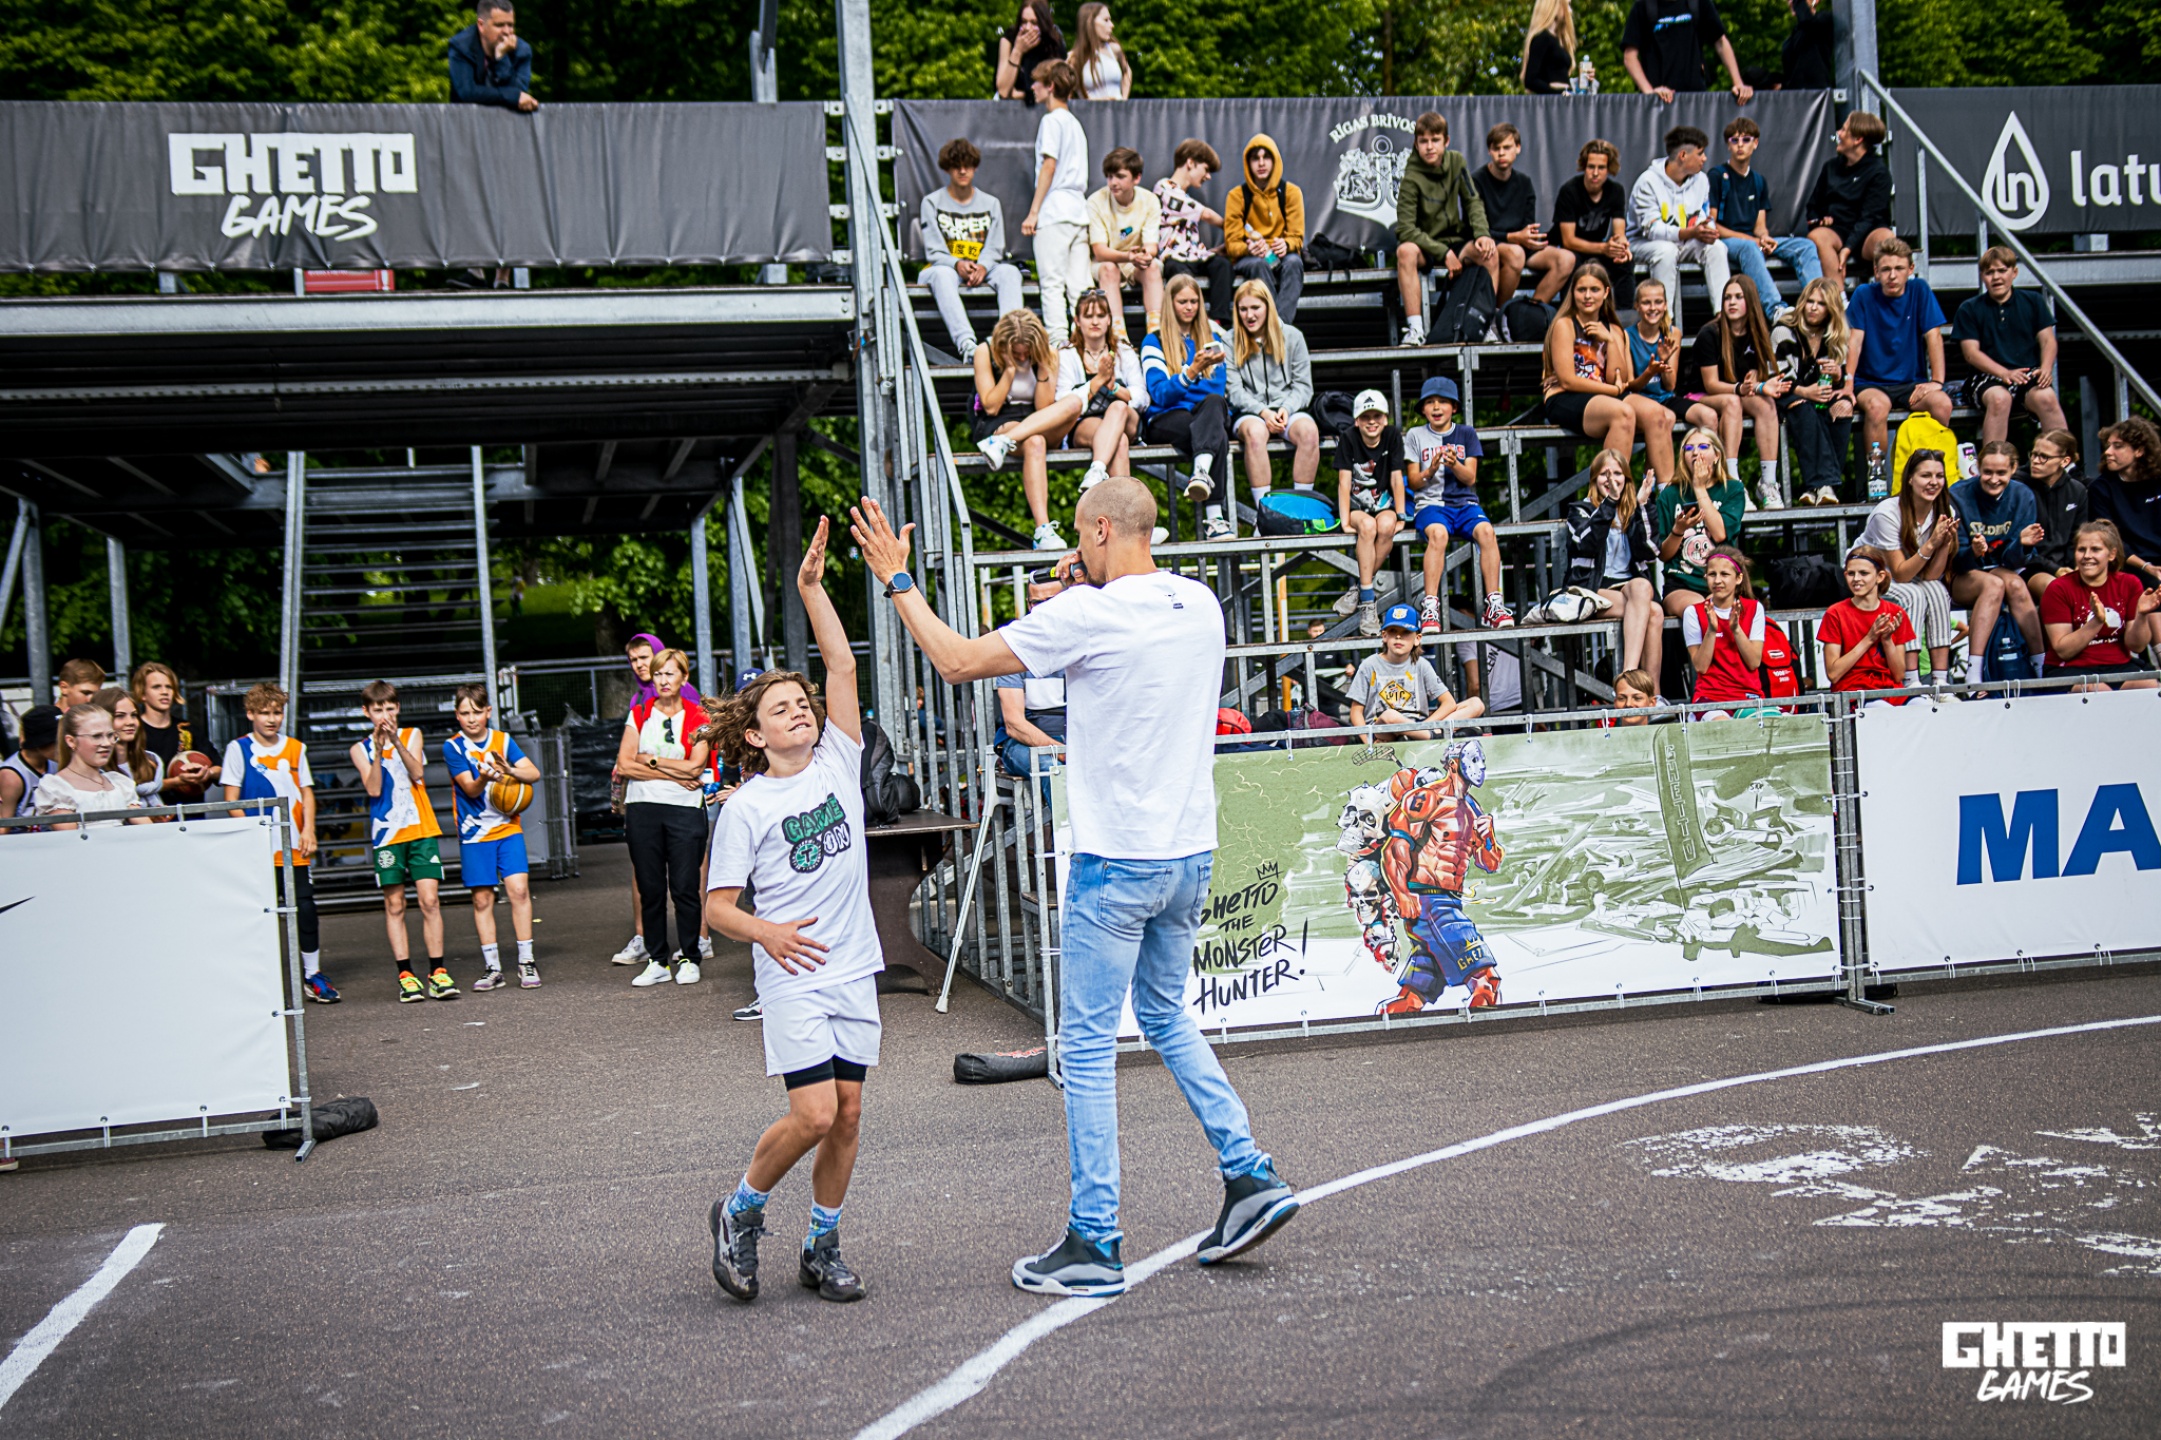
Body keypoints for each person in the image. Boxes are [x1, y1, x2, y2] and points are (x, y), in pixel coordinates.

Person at [847, 479, 1299, 1300]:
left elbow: (955, 660)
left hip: (1117, 860)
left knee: (1086, 1049)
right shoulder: (1198, 604)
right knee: (1163, 1015)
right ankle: (1248, 1172)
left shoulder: (1086, 615)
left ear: (1095, 529)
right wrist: (1085, 579)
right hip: (1187, 853)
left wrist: (897, 578)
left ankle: (1095, 1238)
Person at [703, 519, 883, 1306]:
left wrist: (812, 589)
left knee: (847, 1115)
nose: (800, 712)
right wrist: (767, 932)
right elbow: (716, 909)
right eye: (781, 710)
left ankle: (821, 1244)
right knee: (812, 1114)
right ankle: (740, 1211)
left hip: (853, 966)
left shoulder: (839, 758)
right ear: (755, 734)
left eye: (802, 704)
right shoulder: (746, 807)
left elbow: (841, 662)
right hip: (793, 974)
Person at [221, 683, 335, 1003]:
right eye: (264, 712)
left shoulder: (295, 748)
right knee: (259, 915)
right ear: (250, 714)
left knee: (306, 909)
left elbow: (306, 792)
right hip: (258, 849)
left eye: (277, 712)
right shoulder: (238, 749)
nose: (271, 719)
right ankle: (257, 982)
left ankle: (312, 975)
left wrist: (309, 829)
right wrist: (252, 833)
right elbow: (231, 800)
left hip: (293, 845)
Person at [617, 650, 712, 988]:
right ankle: (657, 960)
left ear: (684, 678)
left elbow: (696, 766)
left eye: (670, 674)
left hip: (685, 809)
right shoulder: (640, 713)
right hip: (643, 808)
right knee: (650, 886)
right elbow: (625, 763)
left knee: (685, 886)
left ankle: (689, 957)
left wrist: (651, 760)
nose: (663, 680)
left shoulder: (699, 716)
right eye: (658, 674)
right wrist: (673, 773)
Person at [351, 682, 452, 999]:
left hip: (421, 829)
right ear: (367, 712)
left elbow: (417, 772)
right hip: (387, 835)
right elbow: (373, 789)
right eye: (378, 710)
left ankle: (438, 971)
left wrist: (395, 740)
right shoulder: (360, 749)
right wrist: (379, 749)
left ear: (398, 708)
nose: (385, 715)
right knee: (394, 904)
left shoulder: (412, 735)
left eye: (390, 708)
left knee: (430, 900)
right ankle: (406, 974)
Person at [1406, 376, 1512, 632]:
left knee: (1487, 532)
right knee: (1439, 534)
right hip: (1431, 504)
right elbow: (1414, 481)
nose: (1436, 407)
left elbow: (1471, 478)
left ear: (1454, 407)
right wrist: (1430, 469)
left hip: (1465, 504)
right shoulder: (1415, 435)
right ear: (1423, 409)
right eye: (1430, 402)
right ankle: (1431, 607)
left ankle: (1494, 603)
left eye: (1443, 401)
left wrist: (1454, 464)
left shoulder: (1466, 433)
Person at [973, 308, 1084, 550]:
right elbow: (991, 406)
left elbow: (1043, 407)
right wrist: (1009, 370)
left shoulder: (1048, 353)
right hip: (1001, 418)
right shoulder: (985, 351)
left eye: (1027, 353)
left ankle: (1003, 442)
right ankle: (1043, 530)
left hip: (1038, 418)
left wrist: (1042, 364)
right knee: (1035, 442)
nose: (1023, 357)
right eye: (1017, 353)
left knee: (1075, 403)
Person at [1141, 273, 1234, 536]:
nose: (1189, 307)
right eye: (1183, 301)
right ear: (1170, 303)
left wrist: (1182, 383)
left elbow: (1215, 390)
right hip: (1167, 418)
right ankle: (1215, 519)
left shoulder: (1212, 339)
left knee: (1214, 408)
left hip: (1205, 413)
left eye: (1194, 301)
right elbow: (1160, 394)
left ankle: (1200, 473)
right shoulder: (1154, 341)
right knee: (1216, 433)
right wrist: (1192, 372)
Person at [1394, 113, 1496, 347]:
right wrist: (1444, 253)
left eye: (1435, 140)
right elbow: (1406, 229)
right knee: (1405, 251)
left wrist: (1482, 234)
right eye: (1423, 141)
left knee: (1489, 252)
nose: (1429, 147)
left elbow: (1472, 201)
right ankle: (1415, 330)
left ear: (1446, 141)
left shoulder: (1457, 161)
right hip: (1426, 246)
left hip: (1456, 240)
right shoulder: (1411, 177)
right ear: (1416, 144)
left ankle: (1485, 324)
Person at [1949, 441, 2048, 682]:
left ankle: (2041, 666)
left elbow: (2014, 561)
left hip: (2005, 568)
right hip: (1963, 573)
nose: (1994, 479)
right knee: (1994, 585)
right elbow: (1955, 560)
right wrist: (1972, 552)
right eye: (1988, 472)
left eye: (2001, 473)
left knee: (2015, 584)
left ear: (2013, 469)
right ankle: (1974, 672)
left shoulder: (2023, 495)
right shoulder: (1958, 494)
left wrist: (2022, 544)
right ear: (1977, 467)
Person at [1856, 449, 1960, 677]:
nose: (1934, 482)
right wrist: (1932, 544)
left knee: (1938, 591)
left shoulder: (1945, 511)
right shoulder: (1887, 513)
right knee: (1913, 595)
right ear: (1910, 479)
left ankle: (1940, 680)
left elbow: (1930, 576)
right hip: (1869, 576)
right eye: (1926, 476)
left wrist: (1945, 544)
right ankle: (1911, 678)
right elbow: (1900, 574)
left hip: (1908, 576)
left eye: (1939, 476)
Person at [1564, 449, 1664, 685]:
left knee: (1645, 592)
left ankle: (1647, 691)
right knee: (1653, 611)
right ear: (1594, 479)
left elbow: (1651, 550)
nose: (1611, 479)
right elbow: (1586, 544)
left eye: (1617, 473)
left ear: (1626, 478)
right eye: (1604, 474)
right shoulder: (1580, 510)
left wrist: (1642, 505)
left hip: (1631, 589)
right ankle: (1634, 680)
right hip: (1592, 588)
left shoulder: (1634, 510)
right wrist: (1609, 503)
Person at [1848, 240, 1953, 461]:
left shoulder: (1919, 289)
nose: (1892, 276)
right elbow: (1854, 342)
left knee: (1942, 403)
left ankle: (1932, 470)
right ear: (1876, 271)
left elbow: (1934, 336)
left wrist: (1937, 381)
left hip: (1911, 383)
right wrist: (1848, 383)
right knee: (1877, 407)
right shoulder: (1863, 294)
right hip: (1871, 382)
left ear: (1910, 269)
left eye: (1899, 268)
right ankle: (1877, 476)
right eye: (1886, 269)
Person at [921, 138, 1026, 359]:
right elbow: (934, 251)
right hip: (945, 268)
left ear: (975, 167)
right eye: (956, 166)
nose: (962, 171)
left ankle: (1006, 341)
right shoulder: (931, 202)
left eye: (967, 165)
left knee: (1010, 272)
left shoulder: (991, 203)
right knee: (942, 275)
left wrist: (983, 266)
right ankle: (968, 346)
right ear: (947, 169)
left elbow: (995, 247)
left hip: (982, 267)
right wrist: (956, 263)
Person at [1951, 248, 2068, 444]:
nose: (1996, 277)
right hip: (1986, 377)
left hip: (2026, 374)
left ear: (2014, 272)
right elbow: (1971, 353)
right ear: (1982, 276)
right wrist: (2004, 373)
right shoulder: (1969, 308)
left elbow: (2048, 340)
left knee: (2046, 397)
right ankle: (1992, 459)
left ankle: (2064, 457)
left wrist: (2046, 368)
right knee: (2000, 399)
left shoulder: (2033, 301)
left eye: (2002, 271)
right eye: (1989, 272)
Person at [1709, 117, 1822, 316]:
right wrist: (1754, 241)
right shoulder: (1717, 175)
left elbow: (1760, 225)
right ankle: (1776, 310)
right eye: (1734, 140)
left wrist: (1764, 238)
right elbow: (1712, 225)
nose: (1740, 145)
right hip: (1727, 242)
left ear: (1755, 143)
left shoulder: (1758, 180)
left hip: (1753, 241)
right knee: (1749, 248)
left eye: (1746, 140)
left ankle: (1820, 303)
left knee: (1805, 246)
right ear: (1728, 145)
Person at [1694, 274, 1789, 511]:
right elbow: (1710, 384)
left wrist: (1760, 381)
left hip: (1737, 393)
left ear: (1751, 301)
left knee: (1766, 405)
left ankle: (1768, 483)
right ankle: (1732, 482)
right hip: (1701, 395)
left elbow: (1757, 376)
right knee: (1732, 403)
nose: (1732, 303)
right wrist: (1743, 388)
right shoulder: (1710, 333)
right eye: (1727, 298)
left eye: (1738, 297)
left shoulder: (1758, 331)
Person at [1226, 279, 1319, 512]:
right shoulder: (1229, 340)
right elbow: (1234, 390)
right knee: (1255, 434)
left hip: (1288, 409)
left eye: (1255, 307)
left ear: (1268, 307)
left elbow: (1303, 386)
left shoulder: (1293, 336)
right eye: (1243, 309)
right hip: (1250, 412)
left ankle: (1301, 511)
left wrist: (1286, 409)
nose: (1249, 315)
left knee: (1309, 432)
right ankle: (1264, 514)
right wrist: (1263, 412)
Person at [1625, 276, 1728, 484]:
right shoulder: (1627, 335)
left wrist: (1664, 362)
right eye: (1646, 302)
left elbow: (1670, 385)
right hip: (1639, 399)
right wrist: (1650, 371)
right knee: (1666, 418)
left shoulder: (1673, 333)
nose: (1652, 308)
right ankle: (1654, 483)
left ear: (1665, 305)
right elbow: (1631, 385)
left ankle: (1706, 478)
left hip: (1665, 397)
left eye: (1658, 302)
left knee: (1708, 416)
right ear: (1637, 306)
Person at [1629, 125, 1730, 336]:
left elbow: (1703, 216)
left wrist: (1708, 230)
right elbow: (1652, 230)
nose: (1704, 159)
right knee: (1666, 251)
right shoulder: (1647, 182)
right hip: (1643, 244)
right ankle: (1664, 322)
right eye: (1700, 153)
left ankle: (1724, 316)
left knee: (1717, 248)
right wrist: (1691, 233)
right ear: (1683, 155)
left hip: (1684, 242)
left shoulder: (1701, 180)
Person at [1541, 262, 1643, 462]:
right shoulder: (1564, 325)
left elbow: (1617, 378)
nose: (1587, 296)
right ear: (1573, 293)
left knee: (1660, 416)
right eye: (1581, 290)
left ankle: (1661, 482)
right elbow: (1568, 381)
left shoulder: (1613, 329)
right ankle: (1611, 481)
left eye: (1594, 290)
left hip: (1602, 395)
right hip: (1564, 397)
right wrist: (1613, 390)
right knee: (1623, 413)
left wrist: (1610, 341)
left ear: (1606, 292)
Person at [1019, 60, 1091, 345]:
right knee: (1080, 287)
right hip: (1078, 212)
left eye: (1037, 82)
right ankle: (1088, 343)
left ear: (1050, 86)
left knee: (1051, 284)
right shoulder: (1075, 124)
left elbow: (1049, 165)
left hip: (1055, 211)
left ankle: (1059, 345)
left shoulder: (1051, 121)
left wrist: (1033, 212)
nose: (1033, 87)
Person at [2041, 521, 2161, 688]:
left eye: (2095, 549)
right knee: (2098, 690)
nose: (2087, 555)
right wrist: (2096, 622)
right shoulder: (2058, 588)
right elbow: (2064, 651)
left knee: (2148, 685)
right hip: (2070, 668)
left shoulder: (2130, 583)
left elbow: (2137, 646)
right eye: (2081, 549)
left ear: (2111, 554)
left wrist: (2141, 615)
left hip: (2118, 665)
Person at [1771, 277, 1854, 505]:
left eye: (1821, 303)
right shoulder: (1784, 330)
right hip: (1785, 393)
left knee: (1843, 407)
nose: (1814, 307)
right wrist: (1806, 392)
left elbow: (1837, 383)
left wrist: (1837, 375)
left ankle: (1818, 487)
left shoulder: (1835, 335)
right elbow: (1779, 377)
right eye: (1810, 301)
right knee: (1803, 406)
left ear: (1831, 309)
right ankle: (1823, 484)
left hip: (1819, 397)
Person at [1056, 288, 1148, 491]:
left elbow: (1142, 397)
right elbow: (1062, 400)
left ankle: (1097, 468)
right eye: (1088, 316)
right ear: (1077, 321)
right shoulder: (1067, 355)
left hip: (1127, 419)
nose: (1095, 321)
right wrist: (1097, 381)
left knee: (1118, 408)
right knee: (1119, 441)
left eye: (1100, 315)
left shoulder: (1124, 351)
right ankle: (1125, 507)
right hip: (1086, 423)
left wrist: (1113, 387)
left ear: (1109, 320)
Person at [1347, 606, 1485, 739]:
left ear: (1417, 639)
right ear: (1384, 636)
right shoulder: (1369, 665)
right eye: (1393, 631)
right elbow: (1356, 711)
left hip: (1418, 725)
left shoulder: (1421, 664)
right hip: (1383, 730)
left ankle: (1429, 734)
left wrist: (1426, 726)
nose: (1398, 637)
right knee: (1390, 715)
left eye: (1406, 632)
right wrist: (1368, 742)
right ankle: (1434, 735)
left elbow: (1449, 703)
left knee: (1476, 704)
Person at [1334, 389, 1408, 638]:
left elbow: (1397, 478)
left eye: (1377, 416)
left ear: (1385, 418)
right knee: (1367, 527)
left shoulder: (1392, 436)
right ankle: (1368, 603)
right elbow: (1344, 482)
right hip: (1357, 507)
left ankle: (1359, 588)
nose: (1372, 421)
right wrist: (1345, 520)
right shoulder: (1348, 438)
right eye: (1366, 417)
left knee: (1386, 526)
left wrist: (1400, 514)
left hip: (1384, 505)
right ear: (1357, 421)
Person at [1476, 123, 1573, 309]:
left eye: (1507, 147)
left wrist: (1529, 238)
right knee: (1516, 254)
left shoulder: (1524, 182)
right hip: (1490, 245)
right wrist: (1512, 237)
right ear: (1489, 150)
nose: (1501, 153)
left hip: (1520, 245)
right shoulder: (1477, 180)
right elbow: (1474, 229)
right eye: (1496, 148)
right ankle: (1499, 314)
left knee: (1566, 259)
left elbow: (1528, 225)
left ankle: (1530, 313)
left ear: (1518, 148)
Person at [1655, 426, 1748, 618]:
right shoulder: (1669, 495)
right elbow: (1663, 554)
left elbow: (1720, 534)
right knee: (1701, 609)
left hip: (1722, 581)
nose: (1695, 452)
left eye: (1703, 446)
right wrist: (1678, 531)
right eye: (1689, 448)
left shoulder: (1733, 489)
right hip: (1681, 584)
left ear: (1717, 455)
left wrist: (1699, 487)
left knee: (1724, 608)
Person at [1806, 112, 1895, 289]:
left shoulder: (1879, 172)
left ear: (1857, 139)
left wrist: (1848, 248)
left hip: (1867, 232)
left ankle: (1886, 298)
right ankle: (1839, 299)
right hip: (1837, 230)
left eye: (1844, 130)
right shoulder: (1830, 167)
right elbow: (1813, 207)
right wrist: (1820, 220)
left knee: (1887, 240)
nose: (1838, 134)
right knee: (1817, 237)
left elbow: (1870, 217)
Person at [1223, 134, 1306, 323]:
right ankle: (1273, 327)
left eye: (1266, 157)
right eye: (1255, 158)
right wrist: (1249, 248)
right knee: (1258, 264)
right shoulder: (1236, 196)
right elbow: (1232, 245)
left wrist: (1286, 244)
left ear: (1275, 160)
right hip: (1251, 258)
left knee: (1294, 263)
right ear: (1248, 163)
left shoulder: (1291, 192)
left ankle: (1279, 326)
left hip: (1281, 255)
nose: (1261, 163)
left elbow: (1297, 237)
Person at [1155, 140, 1234, 328]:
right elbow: (1206, 214)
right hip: (1174, 257)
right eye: (1206, 169)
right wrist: (1233, 229)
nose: (1208, 176)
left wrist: (1214, 251)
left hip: (1194, 255)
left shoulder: (1186, 196)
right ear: (1190, 163)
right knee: (1179, 273)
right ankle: (1187, 325)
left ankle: (1218, 323)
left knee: (1222, 265)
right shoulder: (1164, 188)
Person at [1086, 148, 1162, 342]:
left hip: (1135, 262)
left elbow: (1151, 246)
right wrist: (1128, 256)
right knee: (1108, 269)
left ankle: (1156, 335)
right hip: (1107, 263)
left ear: (1137, 178)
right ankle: (1119, 338)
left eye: (1120, 176)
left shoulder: (1150, 200)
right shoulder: (1095, 201)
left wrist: (1142, 255)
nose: (1113, 182)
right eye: (1109, 176)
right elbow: (1100, 252)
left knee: (1152, 266)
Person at [1818, 546, 1914, 699]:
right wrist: (1870, 638)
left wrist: (1887, 640)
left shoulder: (1896, 612)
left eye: (1863, 573)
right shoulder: (1835, 613)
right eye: (1851, 573)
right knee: (1878, 707)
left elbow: (1898, 675)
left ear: (1880, 576)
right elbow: (1833, 674)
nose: (1856, 579)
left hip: (1890, 691)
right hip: (1853, 692)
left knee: (1922, 706)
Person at [32, 705, 149, 830]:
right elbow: (70, 837)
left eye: (110, 735)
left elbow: (148, 829)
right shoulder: (57, 787)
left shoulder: (119, 782)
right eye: (96, 736)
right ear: (71, 741)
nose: (107, 743)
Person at [1682, 548, 1766, 715]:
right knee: (1722, 725)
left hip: (1748, 696)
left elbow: (1754, 662)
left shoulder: (1754, 608)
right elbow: (1701, 666)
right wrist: (1712, 630)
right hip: (1710, 697)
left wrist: (1736, 629)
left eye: (1725, 574)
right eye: (1712, 574)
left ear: (1738, 578)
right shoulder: (1693, 612)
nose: (1717, 580)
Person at [1622, 0, 1752, 103]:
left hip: (1695, 101)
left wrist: (1738, 83)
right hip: (1659, 102)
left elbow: (1721, 42)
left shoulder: (1698, 3)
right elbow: (1630, 57)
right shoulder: (1642, 6)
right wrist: (1650, 93)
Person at [1552, 140, 1633, 303]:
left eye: (1601, 168)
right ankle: (1570, 313)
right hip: (1573, 249)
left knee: (1624, 262)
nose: (1595, 173)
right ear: (1584, 167)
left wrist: (1621, 247)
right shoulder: (1569, 191)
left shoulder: (1616, 191)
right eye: (1591, 167)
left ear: (1609, 169)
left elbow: (1619, 231)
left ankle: (1624, 314)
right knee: (1572, 262)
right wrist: (1604, 248)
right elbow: (1568, 241)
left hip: (1598, 248)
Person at [2089, 417, 2161, 591]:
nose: (2108, 452)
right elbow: (2109, 538)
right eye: (2108, 445)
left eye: (2118, 446)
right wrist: (2146, 567)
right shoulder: (2101, 488)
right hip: (2130, 565)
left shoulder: (2157, 482)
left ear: (2139, 451)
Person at [2020, 429, 2088, 608]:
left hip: (2067, 566)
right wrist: (2054, 569)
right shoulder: (2019, 486)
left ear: (2065, 461)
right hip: (2029, 567)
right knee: (2057, 589)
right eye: (2034, 454)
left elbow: (2078, 537)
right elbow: (2020, 546)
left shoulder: (2077, 490)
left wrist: (2075, 567)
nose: (2035, 461)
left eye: (2044, 457)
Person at [448, 0, 536, 112]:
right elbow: (467, 92)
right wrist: (509, 95)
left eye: (510, 25)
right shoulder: (462, 46)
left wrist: (501, 58)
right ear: (481, 25)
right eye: (499, 25)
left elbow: (519, 93)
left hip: (508, 118)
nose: (507, 32)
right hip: (466, 117)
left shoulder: (522, 51)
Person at [995, 666, 1067, 790]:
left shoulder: (1079, 659)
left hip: (1070, 737)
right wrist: (1061, 752)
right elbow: (1014, 725)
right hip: (1022, 742)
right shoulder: (1012, 663)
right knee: (1052, 770)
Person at [92, 686, 164, 805]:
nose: (130, 722)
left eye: (134, 715)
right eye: (120, 716)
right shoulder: (93, 770)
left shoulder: (150, 763)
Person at [995, 0, 1065, 102]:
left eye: (1034, 23)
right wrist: (1018, 51)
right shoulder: (1009, 39)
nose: (1028, 28)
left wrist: (1023, 95)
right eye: (1024, 22)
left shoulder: (1054, 43)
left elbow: (1059, 90)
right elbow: (1003, 91)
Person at [1, 704, 62, 821]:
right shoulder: (11, 776)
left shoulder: (57, 764)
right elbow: (4, 826)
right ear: (39, 742)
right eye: (57, 741)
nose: (66, 746)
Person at [1068, 3, 1131, 100]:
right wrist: (1096, 102)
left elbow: (1127, 72)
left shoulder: (1114, 49)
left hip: (1118, 109)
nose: (1112, 25)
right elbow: (1066, 95)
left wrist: (1124, 99)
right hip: (1090, 109)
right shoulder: (1074, 58)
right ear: (1090, 22)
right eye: (1106, 20)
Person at [1521, 0, 1580, 94]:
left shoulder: (1558, 40)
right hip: (1552, 101)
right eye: (1567, 5)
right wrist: (1557, 93)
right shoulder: (1542, 38)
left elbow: (1559, 77)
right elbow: (1530, 80)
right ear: (1555, 7)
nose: (1570, 11)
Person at [1782, 0, 1835, 90]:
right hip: (1795, 95)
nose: (1791, 2)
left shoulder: (1824, 19)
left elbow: (1808, 22)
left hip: (1818, 94)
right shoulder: (1791, 39)